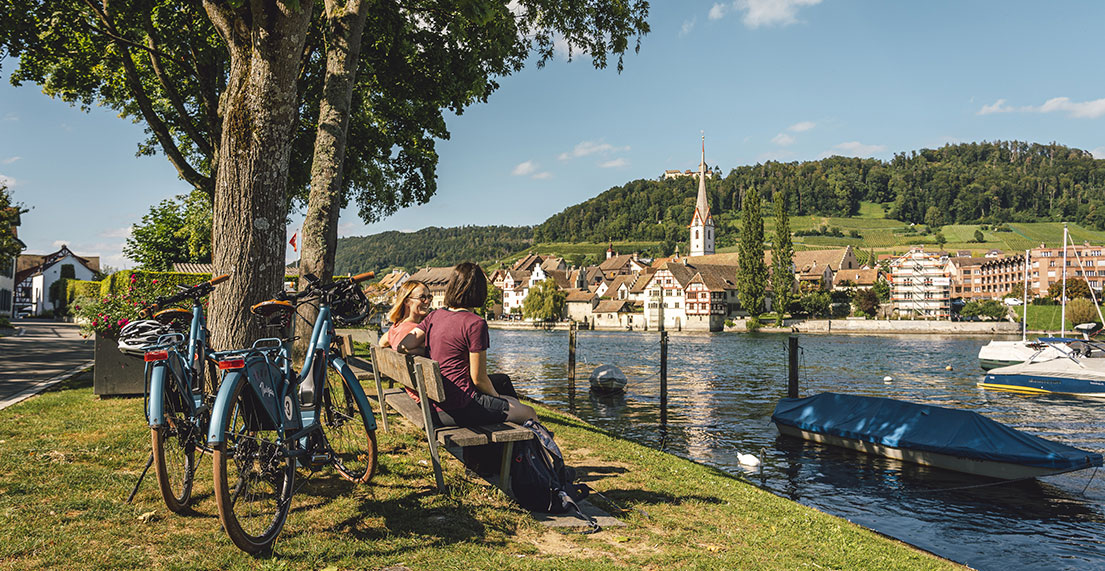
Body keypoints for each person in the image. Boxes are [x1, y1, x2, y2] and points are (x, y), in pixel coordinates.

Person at [398, 262, 536, 427]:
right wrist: (497, 397)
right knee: (529, 412)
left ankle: (507, 450)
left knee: (506, 390)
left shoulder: (435, 315)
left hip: (435, 404)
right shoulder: (475, 324)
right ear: (479, 290)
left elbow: (403, 346)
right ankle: (527, 452)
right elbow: (478, 379)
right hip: (461, 407)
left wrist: (431, 350)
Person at [379, 280, 430, 356]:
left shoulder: (395, 328)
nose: (427, 301)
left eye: (429, 297)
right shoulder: (417, 331)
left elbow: (381, 343)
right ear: (407, 301)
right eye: (422, 297)